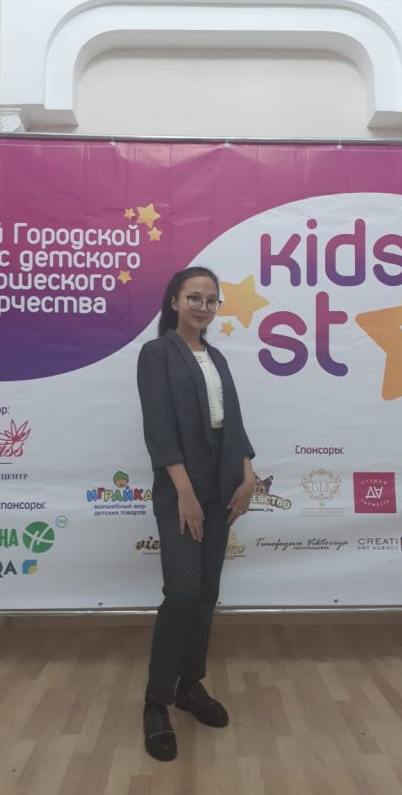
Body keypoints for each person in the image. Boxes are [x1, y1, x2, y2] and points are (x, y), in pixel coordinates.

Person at [136, 266, 256, 761]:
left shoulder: (217, 357)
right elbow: (159, 428)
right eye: (194, 297)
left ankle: (190, 684)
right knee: (182, 591)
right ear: (174, 301)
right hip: (180, 486)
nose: (203, 307)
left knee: (207, 591)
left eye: (211, 300)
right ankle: (156, 701)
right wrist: (183, 490)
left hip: (222, 485)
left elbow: (234, 422)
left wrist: (248, 475)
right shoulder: (157, 354)